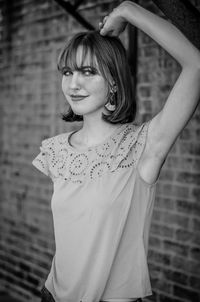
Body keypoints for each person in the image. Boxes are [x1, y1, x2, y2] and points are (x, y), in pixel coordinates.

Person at [32, 1, 200, 302]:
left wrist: (128, 12)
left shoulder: (144, 145)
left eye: (87, 72)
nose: (74, 84)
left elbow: (197, 64)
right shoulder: (55, 150)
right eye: (67, 72)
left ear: (113, 82)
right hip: (52, 295)